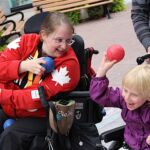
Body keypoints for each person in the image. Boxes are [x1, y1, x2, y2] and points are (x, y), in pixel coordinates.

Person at [0, 12, 80, 150]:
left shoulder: (69, 65)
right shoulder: (25, 42)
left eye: (68, 40)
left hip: (44, 116)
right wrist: (22, 66)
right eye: (59, 40)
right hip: (12, 108)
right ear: (43, 35)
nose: (64, 46)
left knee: (10, 135)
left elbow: (36, 97)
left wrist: (2, 94)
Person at [89, 54, 150, 150]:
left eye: (134, 95)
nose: (127, 98)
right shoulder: (123, 98)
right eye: (125, 90)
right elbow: (99, 95)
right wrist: (101, 71)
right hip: (130, 145)